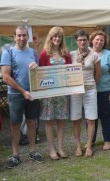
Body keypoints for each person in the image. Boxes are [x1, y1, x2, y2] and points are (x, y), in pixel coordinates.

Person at [1, 25, 44, 169]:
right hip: (15, 94)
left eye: (24, 35)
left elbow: (37, 73)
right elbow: (6, 77)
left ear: (28, 37)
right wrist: (22, 91)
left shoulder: (33, 52)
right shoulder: (8, 53)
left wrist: (36, 67)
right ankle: (15, 155)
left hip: (32, 93)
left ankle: (33, 151)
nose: (22, 38)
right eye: (19, 35)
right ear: (14, 37)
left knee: (32, 122)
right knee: (15, 124)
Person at [39, 26, 71, 160]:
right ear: (50, 38)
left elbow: (70, 73)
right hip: (49, 94)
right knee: (49, 121)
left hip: (62, 93)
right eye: (54, 37)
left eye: (59, 37)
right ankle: (51, 149)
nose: (57, 39)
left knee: (61, 121)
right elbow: (40, 74)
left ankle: (60, 148)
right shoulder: (44, 54)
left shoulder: (66, 54)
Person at [70, 29, 101, 157]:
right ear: (76, 41)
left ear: (88, 40)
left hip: (89, 89)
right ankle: (78, 146)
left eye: (84, 40)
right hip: (75, 90)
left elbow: (98, 74)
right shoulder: (71, 55)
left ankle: (88, 145)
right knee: (76, 118)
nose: (82, 42)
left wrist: (92, 84)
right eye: (80, 40)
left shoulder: (94, 55)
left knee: (91, 118)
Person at [90, 30, 110, 151]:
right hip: (90, 91)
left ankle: (107, 140)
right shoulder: (87, 53)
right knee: (91, 117)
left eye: (102, 40)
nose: (99, 42)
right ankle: (91, 140)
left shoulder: (108, 54)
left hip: (105, 90)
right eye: (97, 39)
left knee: (106, 116)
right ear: (92, 40)